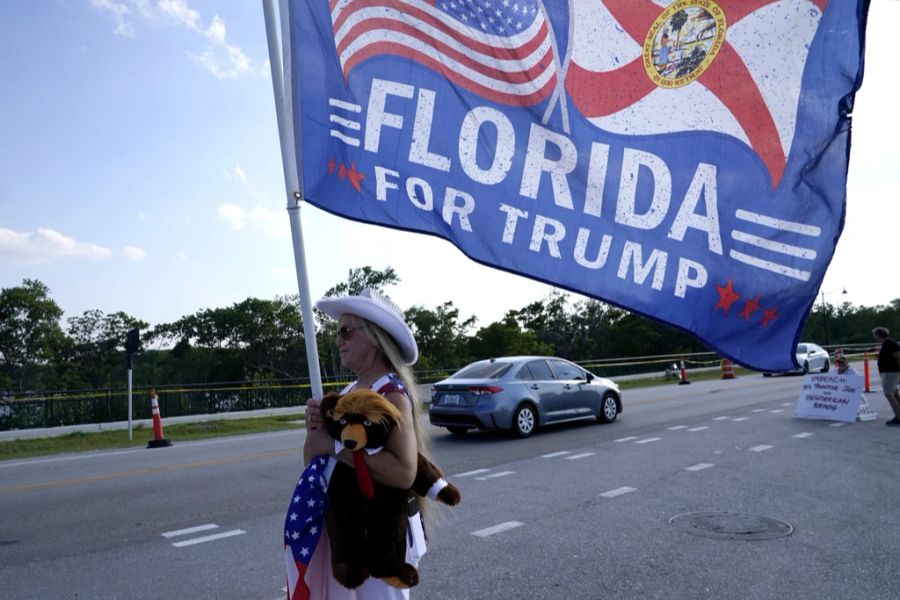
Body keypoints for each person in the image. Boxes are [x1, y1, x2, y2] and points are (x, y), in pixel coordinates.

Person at [301, 287, 429, 599]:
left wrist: (335, 448)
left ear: (373, 338)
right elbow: (313, 460)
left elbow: (404, 473)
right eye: (337, 332)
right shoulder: (347, 392)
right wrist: (315, 432)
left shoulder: (391, 394)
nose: (338, 340)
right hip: (350, 532)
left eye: (346, 332)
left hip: (382, 536)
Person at [873, 327, 900, 426]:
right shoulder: (886, 344)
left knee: (889, 394)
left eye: (875, 334)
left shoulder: (891, 344)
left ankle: (898, 417)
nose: (874, 336)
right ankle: (898, 414)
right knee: (895, 393)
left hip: (891, 372)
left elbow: (898, 356)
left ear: (879, 335)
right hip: (888, 372)